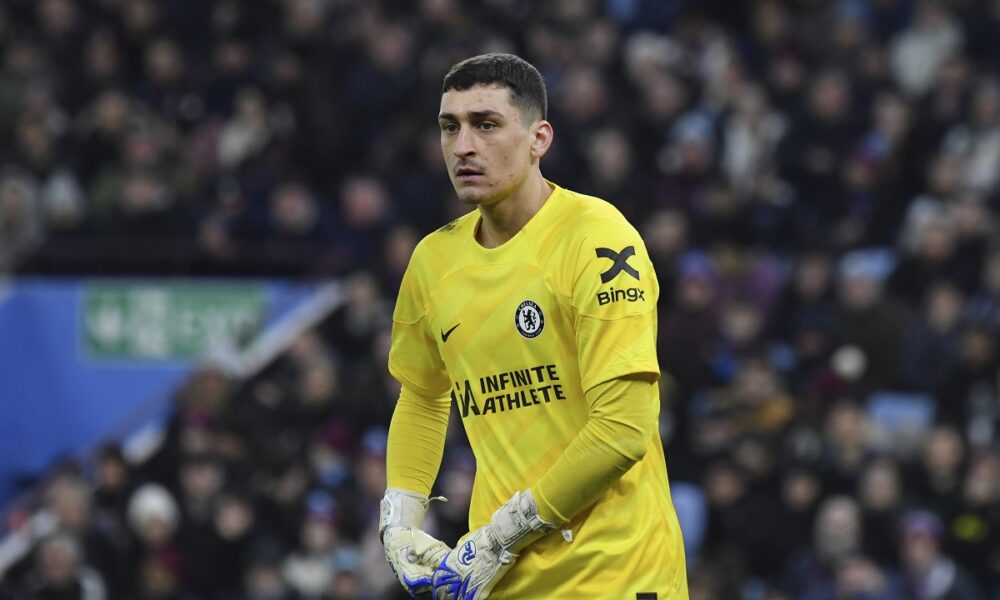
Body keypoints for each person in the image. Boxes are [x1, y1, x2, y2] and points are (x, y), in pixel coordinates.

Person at [379, 53, 688, 599]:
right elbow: (423, 395)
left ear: (539, 138)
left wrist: (503, 533)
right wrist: (400, 518)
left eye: (487, 124)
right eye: (450, 127)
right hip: (504, 582)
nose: (463, 146)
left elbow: (623, 429)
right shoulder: (433, 261)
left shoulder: (598, 238)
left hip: (617, 576)